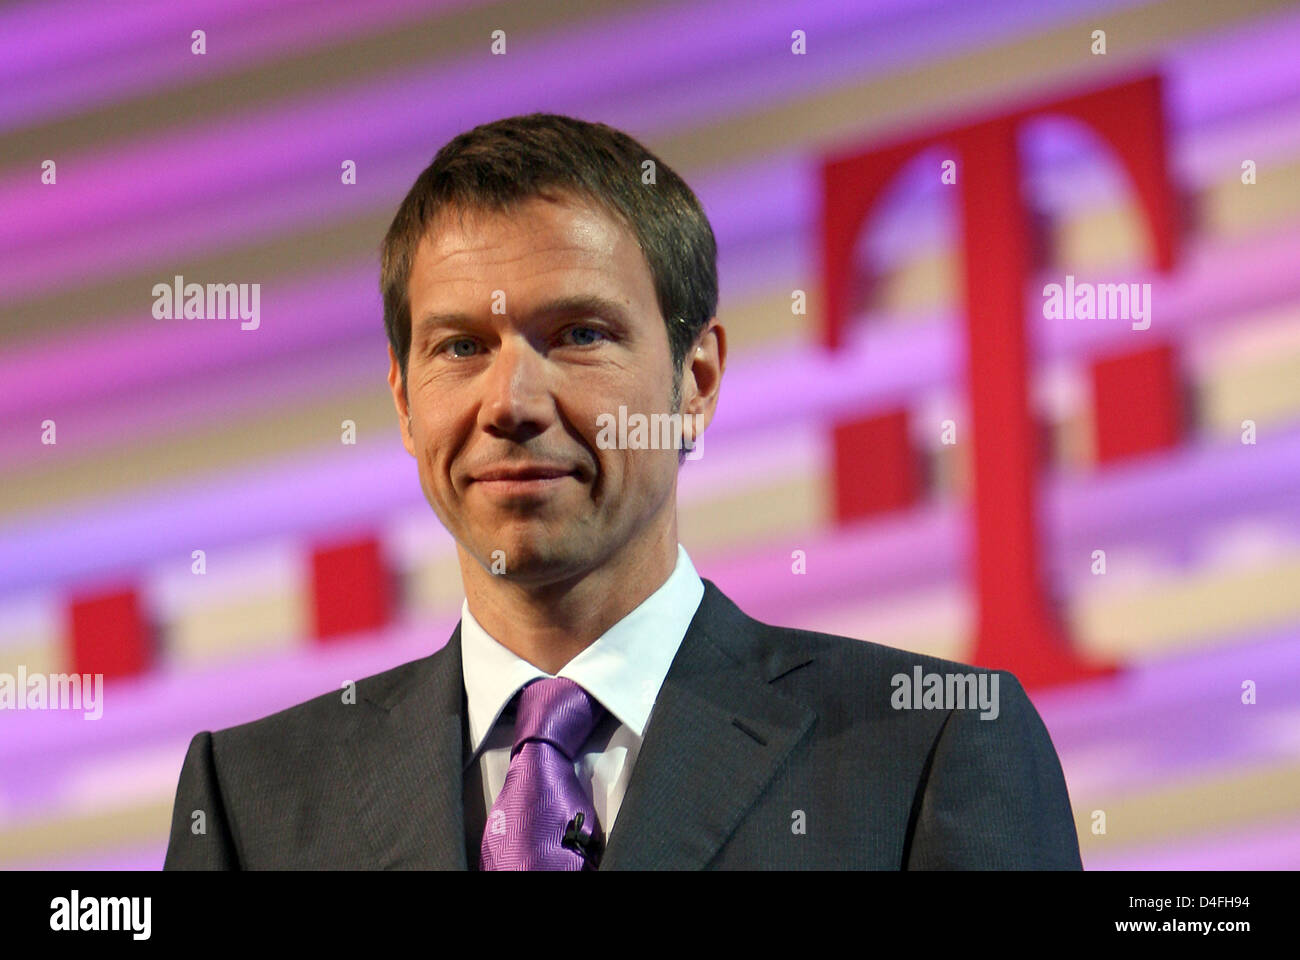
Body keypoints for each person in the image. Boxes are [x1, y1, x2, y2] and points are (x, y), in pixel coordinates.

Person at [163, 113, 1082, 870]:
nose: (512, 403)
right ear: (405, 403)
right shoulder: (252, 801)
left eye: (577, 335)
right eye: (460, 348)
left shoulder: (930, 749)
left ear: (697, 381)